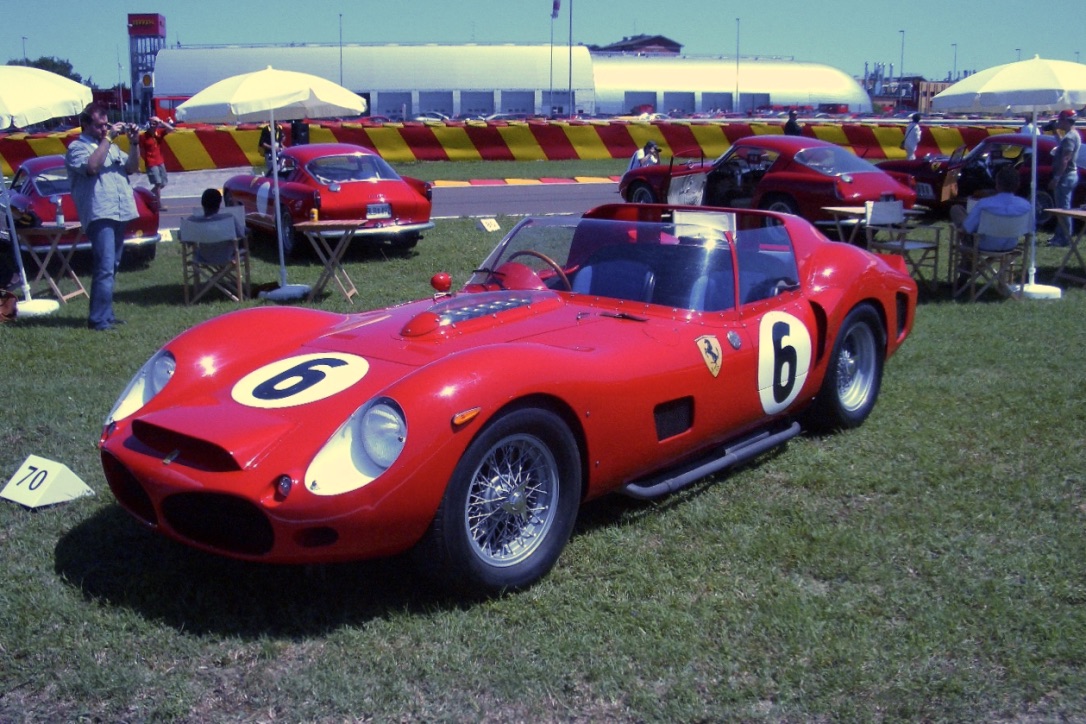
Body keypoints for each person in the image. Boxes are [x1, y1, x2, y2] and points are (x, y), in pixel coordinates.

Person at [65, 102, 140, 332]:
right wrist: (108, 139)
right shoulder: (78, 147)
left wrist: (134, 142)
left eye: (106, 125)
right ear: (85, 124)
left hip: (119, 210)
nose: (104, 129)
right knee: (105, 266)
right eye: (99, 126)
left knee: (113, 266)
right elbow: (92, 168)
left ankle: (106, 313)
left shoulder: (112, 147)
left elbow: (132, 168)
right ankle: (98, 319)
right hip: (100, 212)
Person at [951, 166, 1033, 252]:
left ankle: (968, 263)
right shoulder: (1026, 206)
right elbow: (1030, 229)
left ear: (997, 184)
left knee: (957, 210)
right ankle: (969, 263)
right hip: (1010, 245)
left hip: (983, 245)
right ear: (1017, 185)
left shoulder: (985, 204)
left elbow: (967, 228)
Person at [1047, 109, 1080, 247]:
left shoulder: (1070, 137)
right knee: (1061, 207)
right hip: (1068, 175)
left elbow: (1065, 158)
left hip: (1066, 176)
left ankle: (1064, 238)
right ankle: (1059, 235)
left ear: (1066, 120)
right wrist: (1055, 132)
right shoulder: (1070, 136)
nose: (1058, 122)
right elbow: (1062, 146)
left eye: (1060, 120)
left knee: (1063, 209)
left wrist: (1056, 177)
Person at [138, 115, 174, 210]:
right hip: (151, 162)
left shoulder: (159, 133)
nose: (152, 125)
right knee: (157, 184)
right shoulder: (143, 136)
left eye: (154, 123)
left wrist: (161, 122)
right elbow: (139, 149)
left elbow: (171, 129)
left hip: (160, 161)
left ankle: (149, 195)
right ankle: (159, 205)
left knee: (163, 183)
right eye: (151, 123)